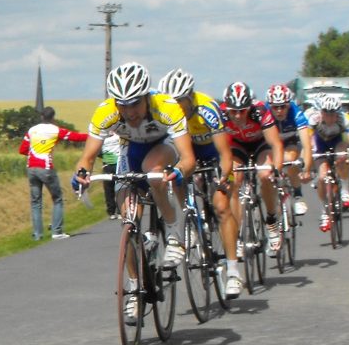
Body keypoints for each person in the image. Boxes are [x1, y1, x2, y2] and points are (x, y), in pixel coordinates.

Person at [72, 62, 195, 325]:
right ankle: (134, 287)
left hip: (164, 146)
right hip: (131, 151)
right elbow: (88, 157)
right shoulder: (105, 113)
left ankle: (174, 231)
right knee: (129, 216)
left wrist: (181, 171)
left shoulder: (167, 107)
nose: (129, 112)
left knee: (153, 172)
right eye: (122, 105)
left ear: (147, 98)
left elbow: (188, 158)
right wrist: (81, 174)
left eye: (135, 104)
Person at [158, 69, 242, 298]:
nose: (175, 107)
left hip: (214, 154)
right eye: (171, 102)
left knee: (222, 206)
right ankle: (190, 217)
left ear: (190, 97)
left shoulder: (207, 109)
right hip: (188, 153)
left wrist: (224, 176)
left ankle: (233, 271)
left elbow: (226, 154)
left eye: (180, 102)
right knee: (174, 173)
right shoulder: (166, 113)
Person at [218, 81, 286, 256]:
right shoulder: (221, 114)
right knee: (234, 183)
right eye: (234, 111)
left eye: (242, 111)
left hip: (260, 144)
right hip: (237, 146)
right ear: (227, 108)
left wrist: (276, 170)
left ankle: (271, 221)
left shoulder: (261, 111)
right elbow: (221, 149)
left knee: (265, 175)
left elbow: (276, 144)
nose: (238, 116)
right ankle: (238, 235)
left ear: (249, 107)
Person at [19, 107, 87, 240]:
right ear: (53, 117)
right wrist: (94, 137)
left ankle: (37, 234)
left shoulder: (32, 130)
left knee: (36, 202)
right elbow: (75, 137)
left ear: (41, 117)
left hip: (31, 167)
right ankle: (57, 231)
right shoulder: (55, 130)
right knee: (57, 198)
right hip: (45, 167)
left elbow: (22, 149)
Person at [308, 93, 349, 231]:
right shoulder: (314, 119)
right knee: (321, 177)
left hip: (337, 143)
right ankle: (324, 213)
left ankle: (344, 191)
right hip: (320, 145)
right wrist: (306, 162)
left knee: (343, 155)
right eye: (326, 113)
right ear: (321, 112)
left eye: (333, 114)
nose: (330, 117)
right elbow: (307, 143)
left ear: (338, 113)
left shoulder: (344, 120)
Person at [265, 83, 314, 216]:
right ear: (270, 106)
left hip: (289, 141)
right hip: (270, 142)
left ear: (288, 104)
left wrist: (307, 170)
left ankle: (298, 195)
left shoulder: (296, 113)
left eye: (283, 107)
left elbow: (307, 144)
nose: (279, 111)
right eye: (275, 107)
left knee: (291, 162)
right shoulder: (264, 112)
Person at [100, 131, 122, 219]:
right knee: (112, 188)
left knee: (114, 188)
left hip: (115, 164)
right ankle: (113, 212)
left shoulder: (103, 138)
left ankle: (115, 212)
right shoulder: (117, 136)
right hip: (110, 164)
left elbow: (98, 152)